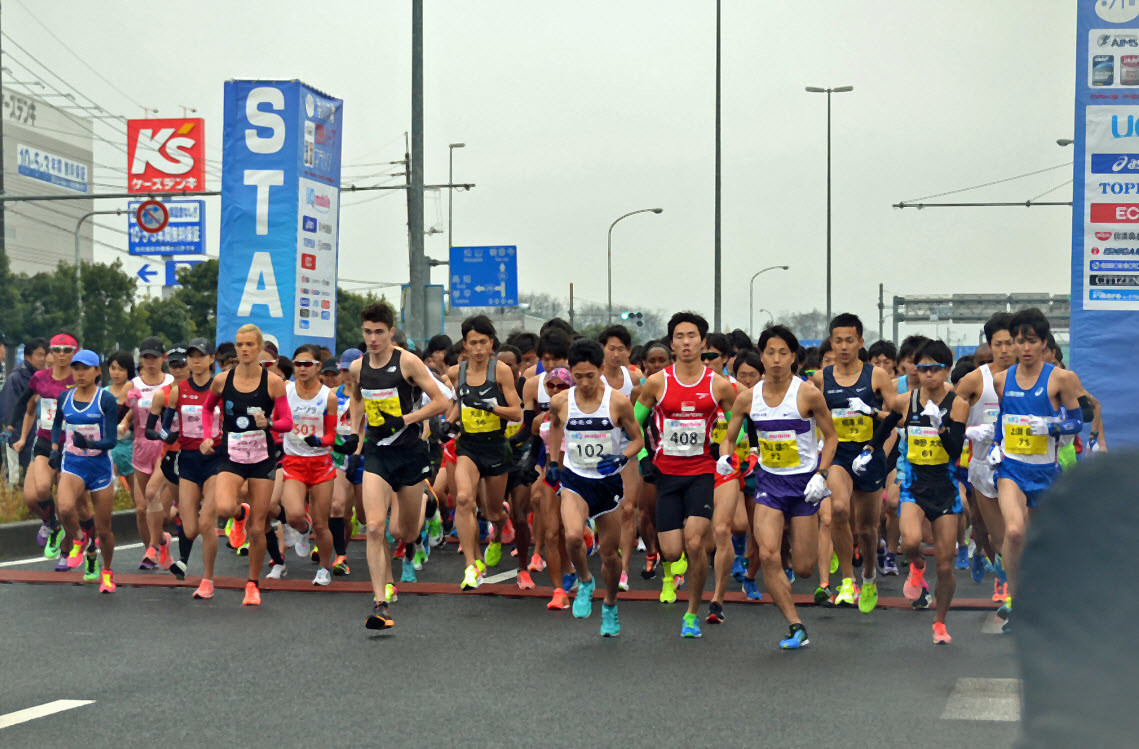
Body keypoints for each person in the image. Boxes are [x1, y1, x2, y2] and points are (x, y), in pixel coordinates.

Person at [720, 325, 837, 649]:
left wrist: (822, 473)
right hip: (769, 484)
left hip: (804, 485)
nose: (775, 359)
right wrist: (725, 458)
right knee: (769, 555)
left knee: (804, 567)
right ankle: (794, 624)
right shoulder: (748, 398)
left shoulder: (807, 394)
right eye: (770, 352)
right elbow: (729, 438)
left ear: (793, 357)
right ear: (761, 356)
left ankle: (794, 558)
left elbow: (831, 438)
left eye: (782, 353)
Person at [349, 302, 449, 629]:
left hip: (410, 453)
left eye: (379, 332)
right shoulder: (358, 367)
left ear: (391, 332)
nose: (373, 339)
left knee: (404, 532)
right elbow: (357, 400)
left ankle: (427, 507)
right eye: (368, 332)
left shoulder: (407, 362)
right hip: (378, 453)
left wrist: (404, 419)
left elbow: (441, 401)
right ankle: (381, 604)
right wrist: (355, 437)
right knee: (375, 527)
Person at [636, 312, 736, 638]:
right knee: (671, 551)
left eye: (692, 336)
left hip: (701, 472)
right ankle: (679, 569)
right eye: (679, 336)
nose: (686, 342)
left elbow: (738, 426)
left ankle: (692, 612)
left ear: (703, 342)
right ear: (672, 343)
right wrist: (643, 458)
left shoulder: (718, 385)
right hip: (666, 473)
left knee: (695, 543)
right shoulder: (657, 382)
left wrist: (725, 450)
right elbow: (634, 424)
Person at [989, 308, 1084, 632]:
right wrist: (995, 444)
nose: (1025, 347)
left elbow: (1077, 421)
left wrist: (1052, 427)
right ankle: (1016, 601)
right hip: (1011, 470)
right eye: (1019, 341)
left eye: (1031, 340)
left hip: (1045, 471)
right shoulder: (1001, 380)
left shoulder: (1061, 379)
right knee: (1015, 532)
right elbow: (1004, 420)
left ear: (1044, 343)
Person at [871, 340, 969, 643]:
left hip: (944, 487)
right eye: (923, 368)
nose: (928, 374)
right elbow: (886, 427)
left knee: (946, 563)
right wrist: (869, 450)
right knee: (911, 541)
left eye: (934, 369)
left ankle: (940, 623)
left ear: (946, 370)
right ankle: (916, 567)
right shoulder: (906, 401)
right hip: (914, 484)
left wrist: (941, 427)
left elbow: (955, 450)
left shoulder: (958, 404)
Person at [545, 338, 644, 636]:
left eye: (590, 375)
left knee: (610, 555)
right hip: (575, 479)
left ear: (601, 369)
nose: (585, 383)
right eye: (578, 376)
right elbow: (555, 426)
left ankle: (610, 605)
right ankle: (585, 581)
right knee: (573, 536)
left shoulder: (618, 402)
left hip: (607, 483)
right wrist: (554, 461)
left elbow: (638, 440)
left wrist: (621, 457)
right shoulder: (561, 401)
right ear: (570, 372)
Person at [809, 313, 898, 612]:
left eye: (850, 340)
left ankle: (869, 575)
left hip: (869, 454)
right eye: (838, 341)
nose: (844, 346)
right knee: (838, 509)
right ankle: (847, 580)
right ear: (831, 343)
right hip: (839, 455)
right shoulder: (821, 379)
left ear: (860, 342)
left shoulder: (876, 376)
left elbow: (896, 418)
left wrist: (870, 412)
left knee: (867, 529)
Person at [199, 324, 293, 606]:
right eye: (240, 345)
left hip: (262, 459)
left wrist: (270, 423)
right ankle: (240, 514)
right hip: (232, 456)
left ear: (260, 347)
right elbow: (207, 408)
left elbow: (287, 422)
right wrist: (207, 436)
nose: (244, 349)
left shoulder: (273, 383)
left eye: (250, 344)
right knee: (223, 508)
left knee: (258, 527)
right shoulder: (222, 380)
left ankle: (252, 583)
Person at [444, 315, 522, 592]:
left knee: (492, 512)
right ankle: (471, 564)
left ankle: (499, 531)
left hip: (496, 446)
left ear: (491, 344)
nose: (478, 349)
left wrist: (489, 407)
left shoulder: (501, 371)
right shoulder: (456, 372)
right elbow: (458, 402)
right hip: (469, 446)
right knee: (464, 499)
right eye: (473, 343)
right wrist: (448, 422)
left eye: (483, 343)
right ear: (465, 345)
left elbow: (517, 412)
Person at [954, 313, 1016, 601]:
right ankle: (988, 557)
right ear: (990, 345)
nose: (1004, 350)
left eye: (1009, 343)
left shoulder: (1033, 376)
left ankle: (1012, 585)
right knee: (987, 530)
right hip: (983, 466)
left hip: (1019, 465)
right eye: (998, 344)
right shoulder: (974, 380)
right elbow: (951, 419)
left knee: (1016, 532)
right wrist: (970, 431)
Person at [49, 350, 120, 593]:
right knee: (64, 508)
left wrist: (89, 443)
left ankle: (107, 572)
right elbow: (57, 424)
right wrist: (55, 448)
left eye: (85, 368)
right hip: (73, 464)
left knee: (104, 529)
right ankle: (79, 538)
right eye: (76, 368)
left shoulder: (105, 400)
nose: (79, 373)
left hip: (99, 467)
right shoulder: (64, 397)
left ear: (97, 371)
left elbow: (111, 440)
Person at [11, 332, 77, 559]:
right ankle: (52, 525)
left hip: (72, 446)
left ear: (74, 353)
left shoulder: (80, 379)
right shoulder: (40, 379)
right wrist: (17, 433)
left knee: (68, 505)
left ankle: (70, 550)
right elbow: (27, 408)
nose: (61, 355)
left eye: (66, 350)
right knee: (37, 493)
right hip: (45, 442)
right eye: (56, 350)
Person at [280, 344, 339, 586]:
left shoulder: (328, 397)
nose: (302, 368)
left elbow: (332, 435)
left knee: (322, 523)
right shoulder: (285, 391)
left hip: (320, 464)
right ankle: (303, 530)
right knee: (294, 515)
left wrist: (320, 441)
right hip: (294, 462)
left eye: (307, 364)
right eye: (298, 364)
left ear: (318, 367)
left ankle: (324, 568)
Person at [597, 324, 642, 591]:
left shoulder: (633, 379)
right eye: (611, 348)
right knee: (600, 509)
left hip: (626, 448)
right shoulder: (592, 377)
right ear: (602, 349)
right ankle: (602, 551)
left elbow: (641, 413)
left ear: (629, 352)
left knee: (627, 508)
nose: (616, 354)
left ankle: (623, 570)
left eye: (621, 349)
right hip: (597, 449)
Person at [127, 337, 175, 570]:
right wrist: (124, 413)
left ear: (163, 358)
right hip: (141, 446)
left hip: (165, 447)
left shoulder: (173, 382)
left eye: (154, 357)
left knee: (158, 505)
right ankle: (154, 548)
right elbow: (121, 414)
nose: (150, 361)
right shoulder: (133, 384)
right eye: (145, 357)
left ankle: (154, 547)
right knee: (141, 509)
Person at [0, 336, 46, 488]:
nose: (43, 359)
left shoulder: (42, 377)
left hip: (37, 438)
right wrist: (16, 438)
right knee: (17, 480)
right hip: (20, 438)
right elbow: (10, 410)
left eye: (45, 354)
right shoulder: (17, 378)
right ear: (27, 356)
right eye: (39, 354)